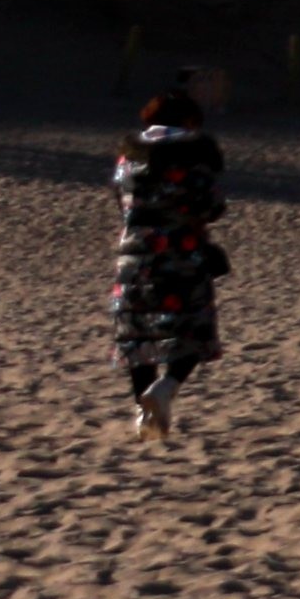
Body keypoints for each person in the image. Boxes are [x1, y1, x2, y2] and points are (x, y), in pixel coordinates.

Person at [107, 86, 230, 441]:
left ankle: (142, 415)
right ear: (189, 121)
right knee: (193, 328)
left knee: (136, 332)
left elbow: (120, 198)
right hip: (183, 251)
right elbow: (211, 206)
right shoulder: (196, 154)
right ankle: (166, 387)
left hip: (134, 253)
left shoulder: (129, 156)